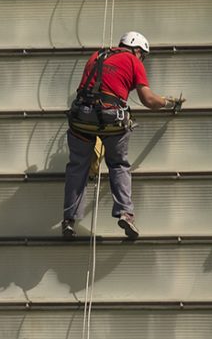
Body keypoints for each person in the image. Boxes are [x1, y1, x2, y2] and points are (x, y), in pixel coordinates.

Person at [62, 31, 184, 238]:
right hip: (111, 119)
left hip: (81, 118)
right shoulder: (133, 60)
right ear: (137, 49)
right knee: (118, 164)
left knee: (77, 167)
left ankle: (69, 219)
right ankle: (125, 214)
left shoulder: (96, 56)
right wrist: (168, 102)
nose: (142, 59)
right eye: (142, 55)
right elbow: (148, 100)